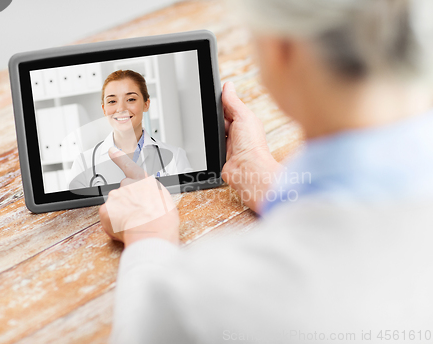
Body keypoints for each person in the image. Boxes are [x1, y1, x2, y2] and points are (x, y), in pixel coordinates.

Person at [99, 0, 433, 343]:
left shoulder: (207, 297)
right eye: (112, 101)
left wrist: (148, 239)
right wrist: (277, 186)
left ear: (281, 47)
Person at [68, 69, 192, 189]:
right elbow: (73, 210)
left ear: (146, 104)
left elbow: (190, 206)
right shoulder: (83, 164)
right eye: (112, 101)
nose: (121, 108)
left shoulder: (175, 157)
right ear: (104, 109)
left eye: (131, 99)